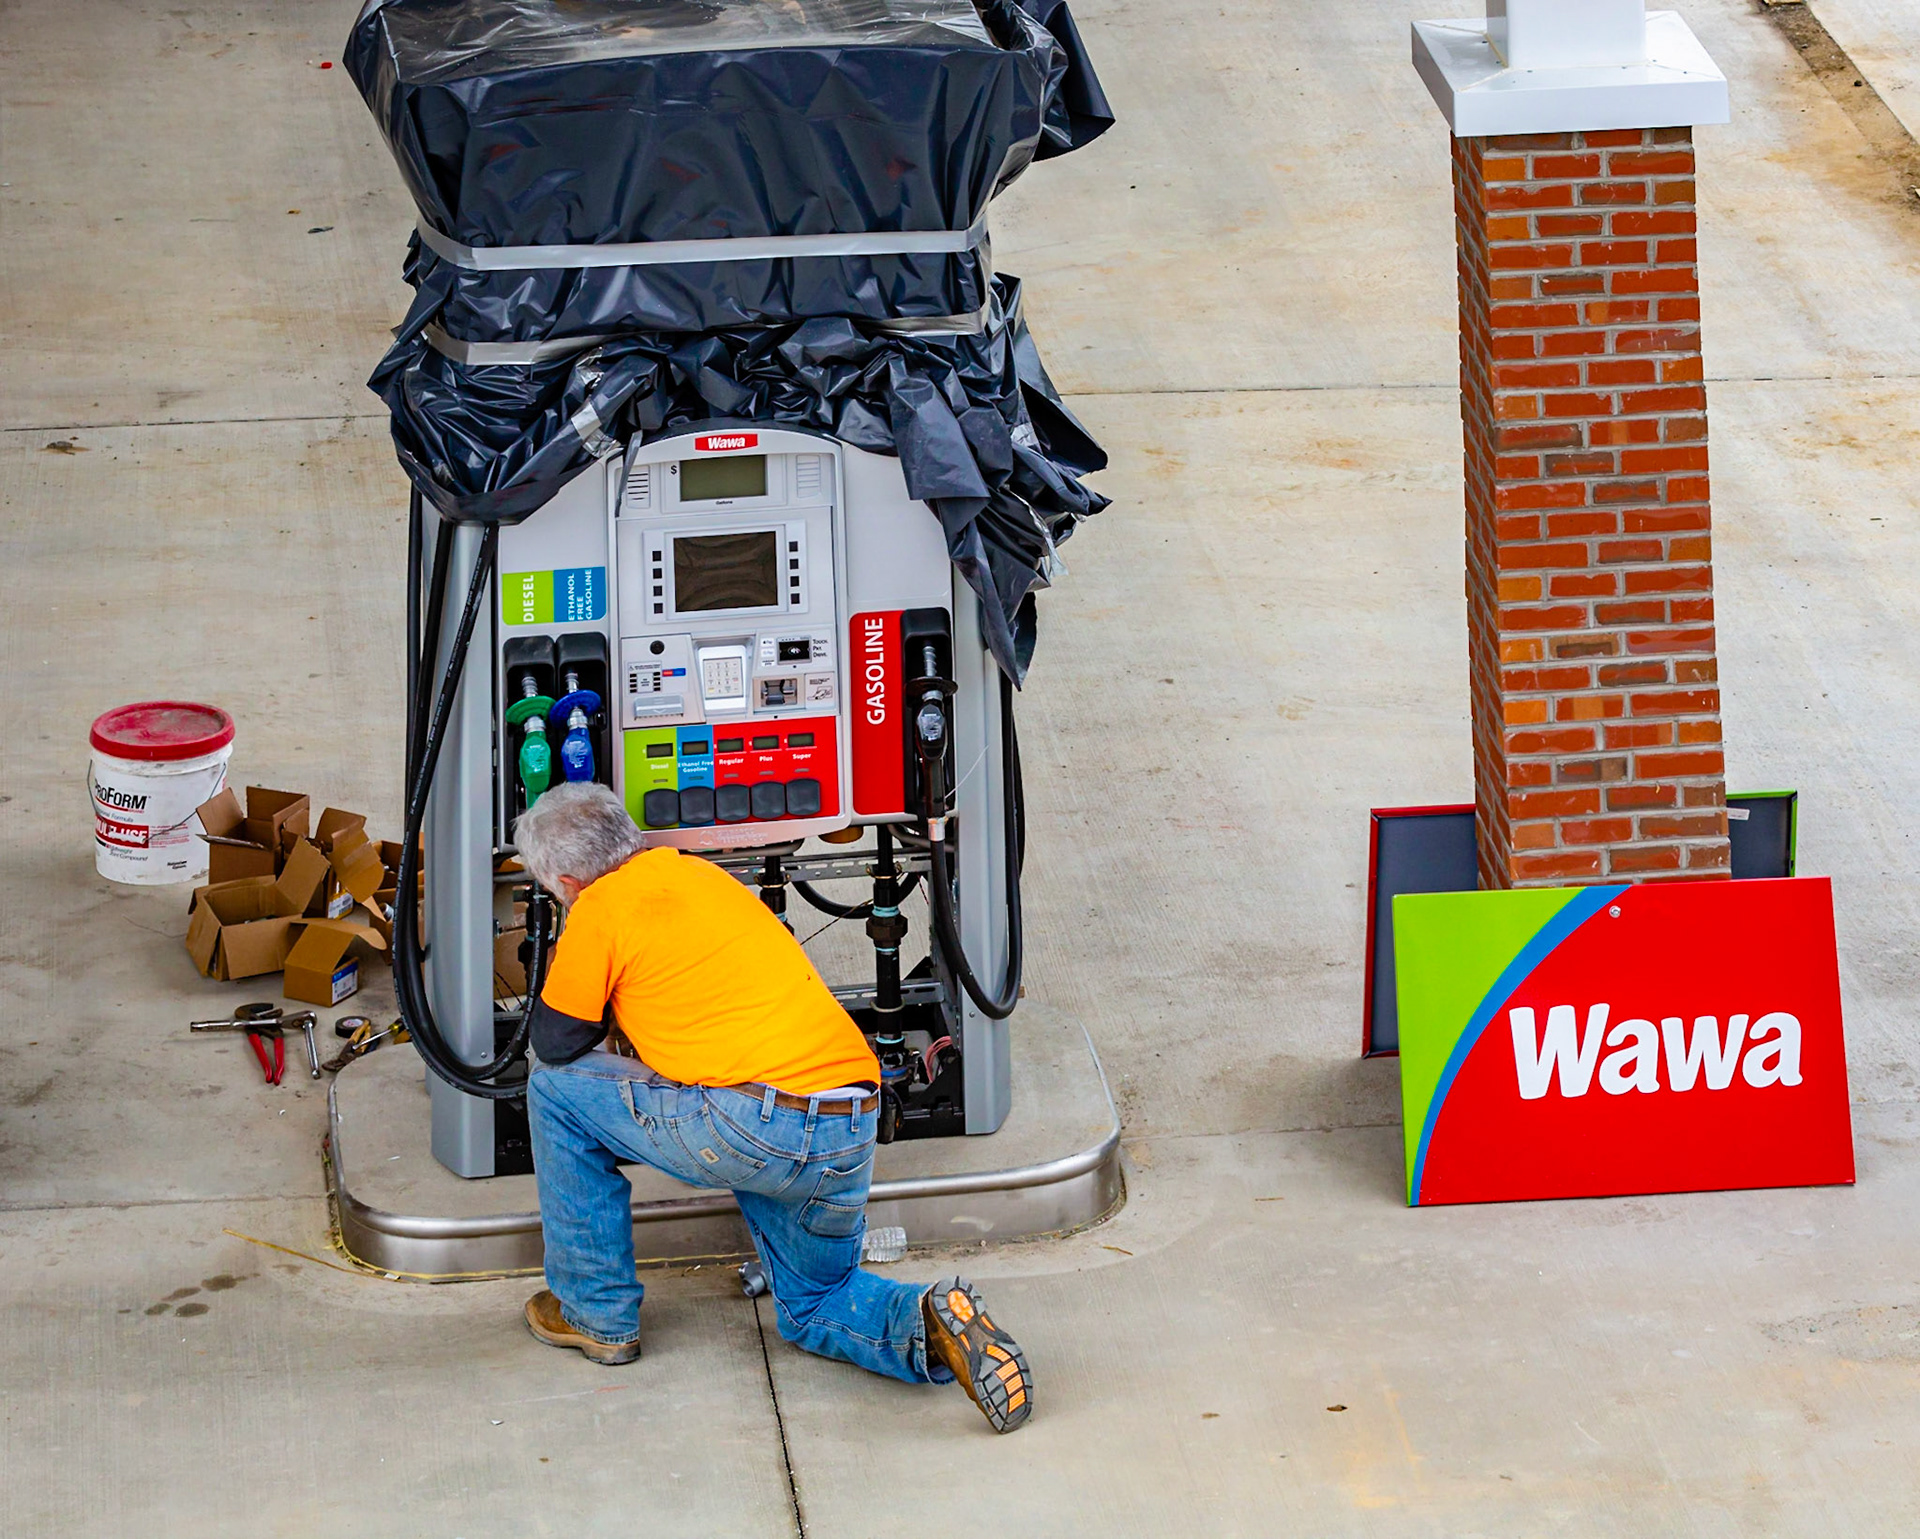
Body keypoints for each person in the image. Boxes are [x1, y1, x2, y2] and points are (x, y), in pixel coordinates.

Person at [510, 782, 1032, 1434]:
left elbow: (558, 1041)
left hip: (752, 1124)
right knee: (815, 1303)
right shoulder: (702, 877)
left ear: (564, 879)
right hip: (849, 1120)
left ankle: (596, 1314)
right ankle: (931, 1319)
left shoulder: (599, 908)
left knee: (556, 1093)